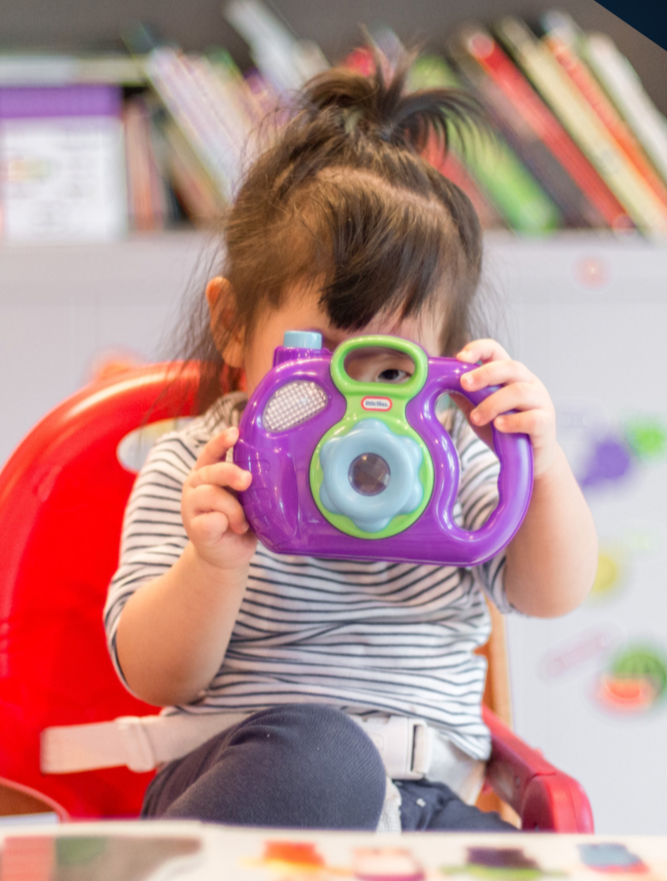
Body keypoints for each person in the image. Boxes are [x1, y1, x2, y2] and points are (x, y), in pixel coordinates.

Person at [104, 55, 597, 833]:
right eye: (323, 355)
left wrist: (539, 457)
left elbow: (551, 591)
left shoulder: (452, 457)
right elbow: (153, 671)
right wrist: (212, 562)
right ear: (234, 325)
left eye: (391, 366)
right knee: (323, 758)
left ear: (445, 359)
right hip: (254, 786)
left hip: (426, 800)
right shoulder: (203, 465)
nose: (356, 403)